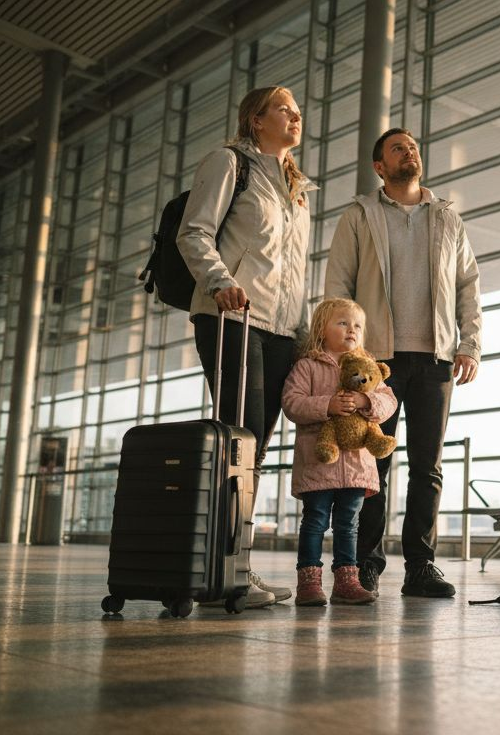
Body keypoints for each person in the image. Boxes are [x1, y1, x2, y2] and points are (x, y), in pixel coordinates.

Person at [325, 127, 482, 598]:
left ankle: (421, 566)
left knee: (427, 466)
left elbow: (468, 285)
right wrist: (343, 350)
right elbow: (339, 285)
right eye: (398, 148)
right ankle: (366, 564)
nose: (409, 151)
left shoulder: (447, 217)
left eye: (412, 146)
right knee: (373, 464)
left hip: (436, 357)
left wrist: (470, 344)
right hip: (376, 360)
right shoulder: (360, 215)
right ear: (380, 166)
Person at [178, 85, 316, 608]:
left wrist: (303, 332)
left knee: (254, 449)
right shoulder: (229, 163)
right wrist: (219, 281)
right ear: (255, 120)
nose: (294, 116)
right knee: (241, 441)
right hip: (232, 316)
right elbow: (194, 232)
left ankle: (234, 565)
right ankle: (222, 571)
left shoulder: (296, 188)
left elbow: (293, 271)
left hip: (281, 331)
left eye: (297, 111)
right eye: (283, 109)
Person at [281, 298, 396, 606]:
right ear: (322, 328)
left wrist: (366, 401)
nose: (351, 330)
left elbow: (389, 401)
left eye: (357, 325)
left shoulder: (368, 367)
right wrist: (327, 405)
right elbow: (291, 403)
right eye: (342, 323)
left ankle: (347, 581)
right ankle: (309, 581)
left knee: (349, 525)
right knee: (315, 521)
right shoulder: (307, 366)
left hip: (357, 467)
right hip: (318, 463)